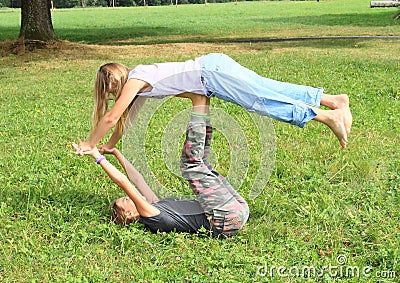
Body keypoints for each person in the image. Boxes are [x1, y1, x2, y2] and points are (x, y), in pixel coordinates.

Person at [76, 53, 352, 156]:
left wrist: (90, 143)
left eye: (111, 91)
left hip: (212, 75)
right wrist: (109, 145)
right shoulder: (142, 83)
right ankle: (332, 101)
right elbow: (126, 121)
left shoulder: (136, 79)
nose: (114, 97)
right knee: (268, 88)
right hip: (213, 66)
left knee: (262, 100)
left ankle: (327, 118)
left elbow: (113, 117)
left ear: (115, 83)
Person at [73, 96, 249, 237]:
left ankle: (202, 103)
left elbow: (136, 179)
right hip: (224, 219)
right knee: (190, 164)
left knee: (202, 164)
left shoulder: (157, 205)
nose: (128, 196)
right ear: (129, 215)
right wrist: (96, 154)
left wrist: (116, 153)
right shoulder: (152, 217)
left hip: (236, 210)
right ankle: (198, 103)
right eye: (126, 200)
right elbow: (124, 182)